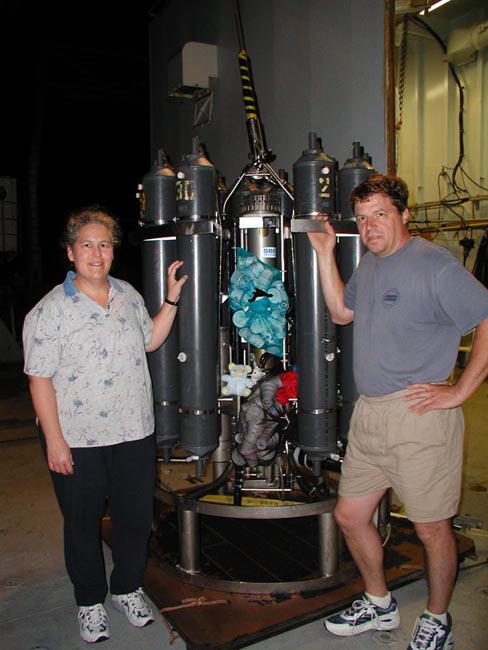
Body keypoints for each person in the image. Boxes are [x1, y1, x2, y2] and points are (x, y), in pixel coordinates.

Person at [307, 175, 488, 650]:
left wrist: (460, 390)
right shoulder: (370, 265)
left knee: (430, 527)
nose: (371, 227)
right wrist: (326, 255)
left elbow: (486, 316)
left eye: (380, 214)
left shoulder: (433, 264)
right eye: (363, 219)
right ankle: (379, 603)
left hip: (419, 415)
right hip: (370, 415)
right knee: (349, 515)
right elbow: (342, 312)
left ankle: (437, 617)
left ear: (404, 215)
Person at [22, 206, 187, 644]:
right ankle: (90, 600)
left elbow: (150, 338)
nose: (97, 253)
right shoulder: (50, 311)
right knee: (82, 522)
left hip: (134, 430)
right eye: (88, 245)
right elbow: (38, 379)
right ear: (71, 252)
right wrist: (55, 441)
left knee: (135, 519)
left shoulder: (128, 295)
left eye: (105, 244)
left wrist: (170, 300)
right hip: (78, 437)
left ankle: (127, 588)